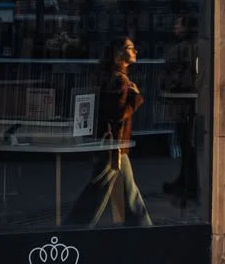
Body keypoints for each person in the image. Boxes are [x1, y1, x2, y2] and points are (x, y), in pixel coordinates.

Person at [67, 38, 152, 228]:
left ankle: (143, 228)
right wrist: (136, 97)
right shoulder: (120, 80)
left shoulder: (107, 75)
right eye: (131, 48)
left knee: (128, 192)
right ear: (119, 53)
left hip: (113, 144)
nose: (135, 51)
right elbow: (117, 113)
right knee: (98, 190)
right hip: (113, 145)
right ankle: (72, 228)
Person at [161, 13, 202, 201]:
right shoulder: (188, 47)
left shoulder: (187, 49)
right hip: (184, 102)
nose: (175, 27)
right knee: (186, 143)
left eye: (178, 24)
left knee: (188, 143)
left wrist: (173, 84)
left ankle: (190, 183)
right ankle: (186, 180)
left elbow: (183, 75)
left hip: (186, 103)